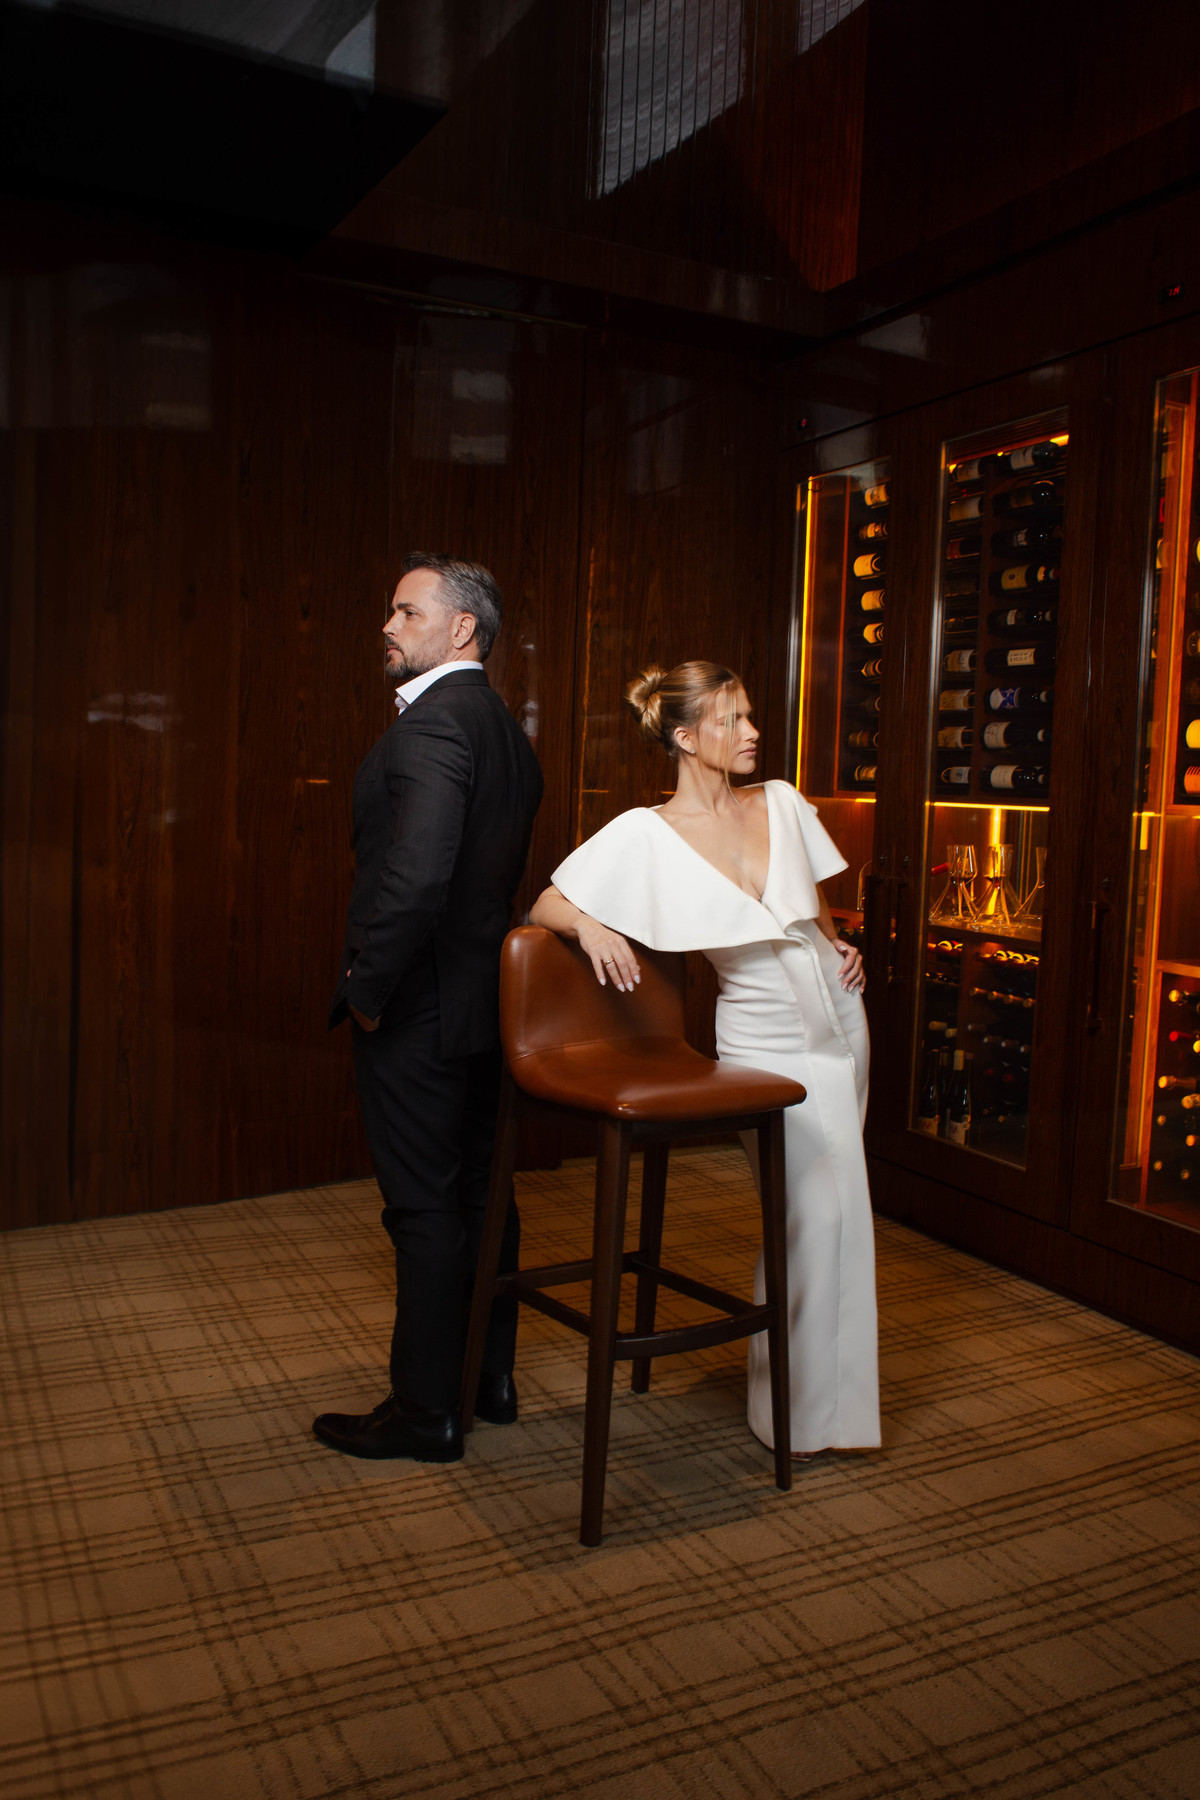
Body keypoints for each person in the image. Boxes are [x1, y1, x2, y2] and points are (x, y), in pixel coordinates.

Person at [530, 662, 879, 1459]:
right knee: (810, 1212)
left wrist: (839, 946)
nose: (752, 732)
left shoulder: (781, 802)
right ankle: (795, 1416)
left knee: (841, 1213)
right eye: (732, 720)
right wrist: (593, 927)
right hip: (763, 1040)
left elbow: (813, 908)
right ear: (686, 737)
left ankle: (825, 1413)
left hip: (842, 1018)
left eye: (750, 716)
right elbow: (547, 901)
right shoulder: (645, 832)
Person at [313, 554, 543, 1464]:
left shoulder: (434, 726)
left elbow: (414, 880)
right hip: (487, 1008)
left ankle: (424, 1412)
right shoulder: (504, 731)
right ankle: (487, 1381)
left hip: (419, 1012)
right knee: (484, 1196)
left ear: (461, 629)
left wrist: (367, 993)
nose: (388, 625)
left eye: (407, 612)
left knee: (424, 1210)